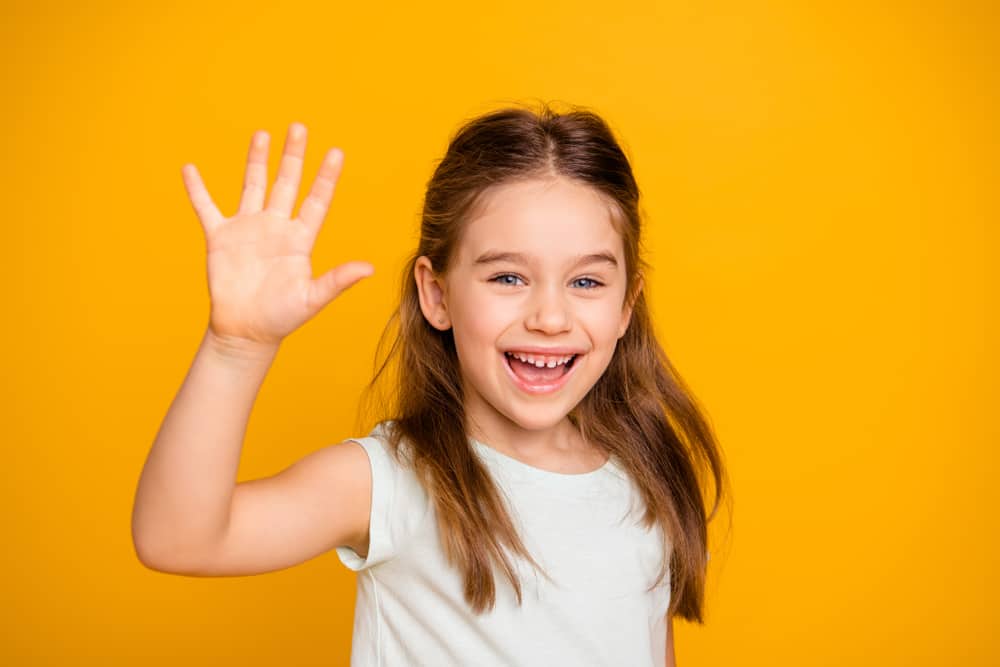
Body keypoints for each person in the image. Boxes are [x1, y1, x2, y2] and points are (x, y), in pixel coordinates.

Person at [131, 103, 728, 666]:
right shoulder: (390, 481)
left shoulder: (646, 473)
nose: (550, 317)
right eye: (509, 276)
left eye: (587, 283)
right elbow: (176, 540)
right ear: (436, 294)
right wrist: (237, 347)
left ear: (627, 305)